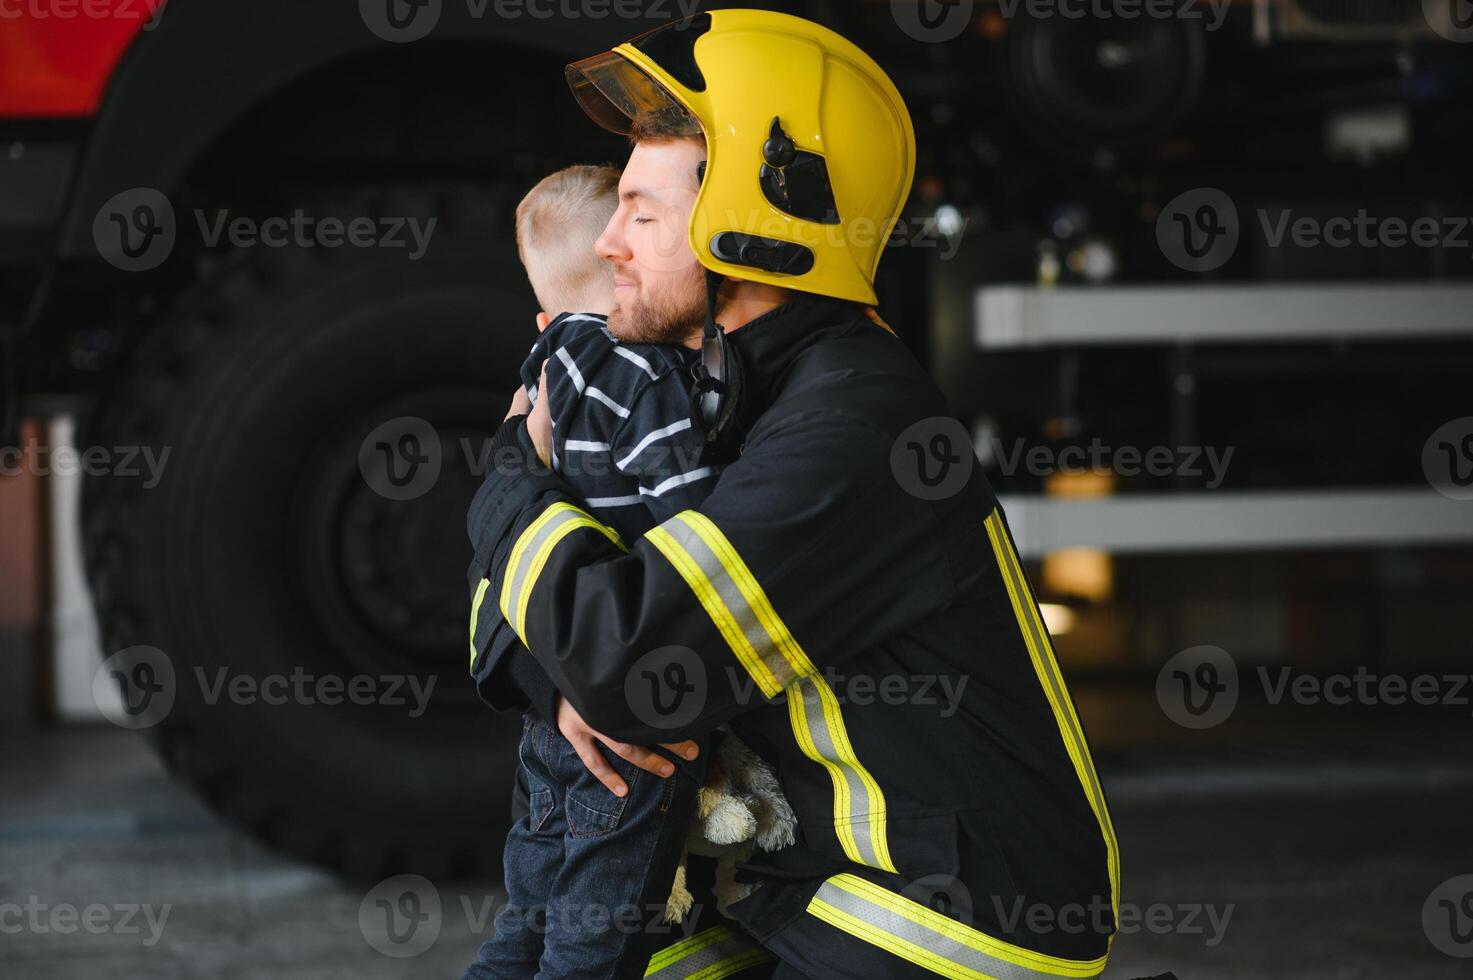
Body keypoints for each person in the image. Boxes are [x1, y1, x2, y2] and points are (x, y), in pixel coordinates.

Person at [472, 10, 1120, 978]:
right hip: (807, 889)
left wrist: (510, 477)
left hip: (947, 919)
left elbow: (632, 657)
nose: (607, 241)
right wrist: (557, 671)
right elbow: (508, 617)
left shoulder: (855, 426)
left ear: (762, 218)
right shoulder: (704, 390)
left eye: (642, 212)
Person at [465, 163, 721, 979]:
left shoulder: (537, 383)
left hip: (550, 708)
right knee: (595, 940)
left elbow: (503, 548)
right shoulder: (635, 370)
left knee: (529, 913)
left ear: (543, 312)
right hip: (627, 708)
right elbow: (695, 514)